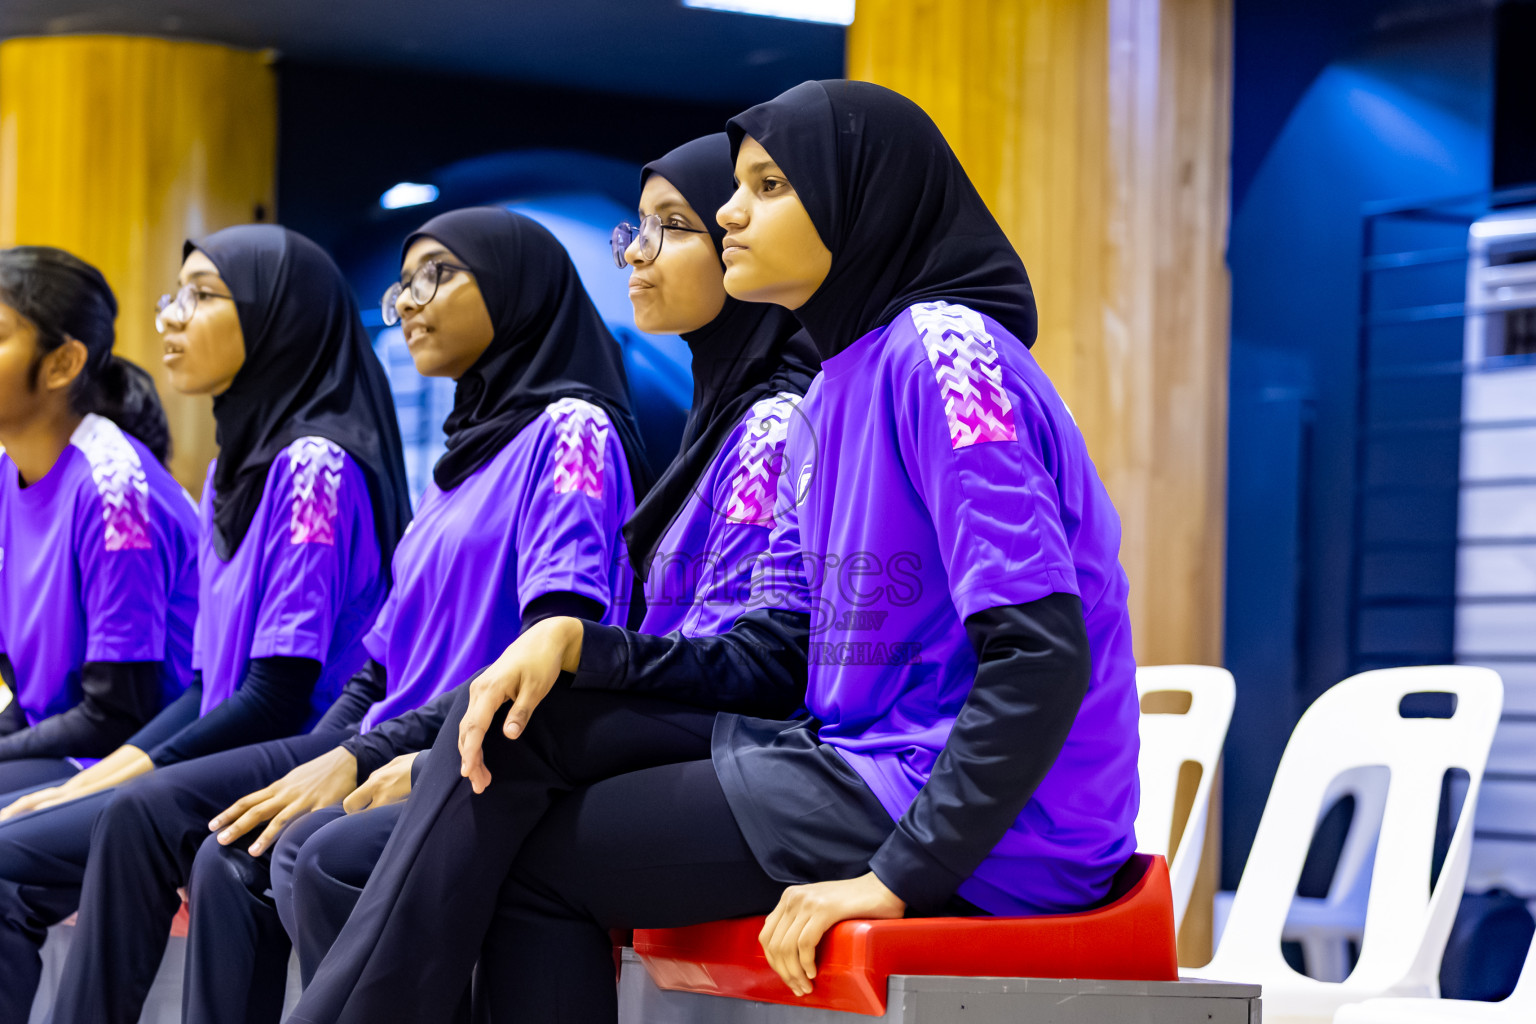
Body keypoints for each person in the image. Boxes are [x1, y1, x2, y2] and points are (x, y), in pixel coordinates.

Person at [293, 79, 1139, 1024]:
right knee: (511, 736)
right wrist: (587, 648)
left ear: (860, 198)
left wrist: (905, 870)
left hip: (985, 821)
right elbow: (781, 653)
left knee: (524, 865)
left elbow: (1041, 650)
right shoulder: (832, 391)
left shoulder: (946, 355)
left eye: (769, 185)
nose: (732, 211)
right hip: (855, 761)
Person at [263, 136, 819, 999]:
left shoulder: (647, 431)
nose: (635, 252)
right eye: (636, 228)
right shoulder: (711, 430)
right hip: (663, 731)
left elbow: (749, 664)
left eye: (672, 227)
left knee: (342, 848)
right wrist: (370, 747)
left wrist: (428, 747)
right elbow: (378, 669)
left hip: (749, 749)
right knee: (292, 845)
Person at [158, 206, 652, 1024]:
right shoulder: (461, 463)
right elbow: (378, 671)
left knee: (306, 857)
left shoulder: (571, 432)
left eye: (438, 274)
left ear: (515, 290)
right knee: (231, 856)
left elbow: (551, 644)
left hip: (488, 757)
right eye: (404, 282)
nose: (410, 302)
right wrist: (343, 752)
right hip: (408, 746)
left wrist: (374, 759)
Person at [0, 225, 412, 1023]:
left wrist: (117, 773)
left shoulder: (313, 467)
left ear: (275, 319)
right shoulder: (235, 463)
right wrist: (114, 768)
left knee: (100, 826)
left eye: (202, 295)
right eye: (173, 295)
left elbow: (277, 694)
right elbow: (203, 687)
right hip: (229, 739)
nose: (171, 318)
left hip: (306, 743)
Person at [0, 247, 199, 792]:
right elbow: (29, 693)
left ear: (63, 363)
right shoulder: (7, 472)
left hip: (129, 764)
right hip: (62, 743)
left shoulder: (116, 492)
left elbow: (116, 715)